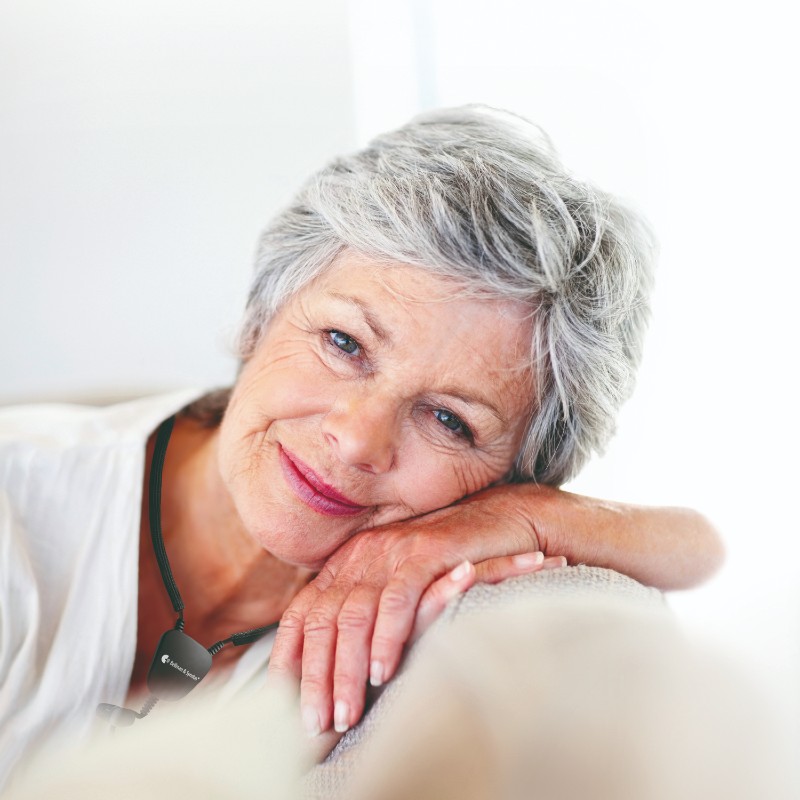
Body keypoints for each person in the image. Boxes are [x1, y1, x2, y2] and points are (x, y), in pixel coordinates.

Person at [0, 105, 722, 790]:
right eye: (344, 344)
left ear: (509, 477)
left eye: (448, 420)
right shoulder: (18, 497)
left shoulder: (432, 597)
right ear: (262, 317)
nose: (355, 438)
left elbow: (706, 550)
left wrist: (522, 520)